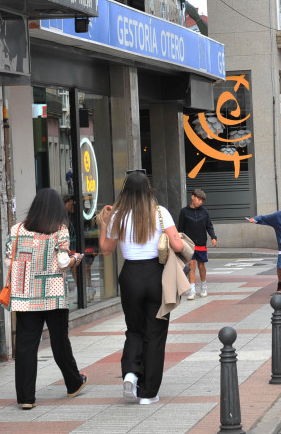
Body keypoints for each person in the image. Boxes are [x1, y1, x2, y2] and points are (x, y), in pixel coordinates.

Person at [98, 171, 184, 405]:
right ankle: (148, 394)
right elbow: (176, 245)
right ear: (149, 189)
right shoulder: (160, 212)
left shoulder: (118, 215)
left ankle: (130, 373)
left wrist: (105, 223)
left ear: (124, 191)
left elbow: (106, 249)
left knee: (134, 329)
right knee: (155, 333)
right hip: (156, 275)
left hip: (130, 276)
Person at [4, 188, 87, 410]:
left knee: (25, 345)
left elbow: (7, 261)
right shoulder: (60, 230)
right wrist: (76, 259)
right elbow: (62, 262)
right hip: (52, 293)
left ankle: (26, 398)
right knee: (60, 341)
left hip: (25, 294)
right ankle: (73, 383)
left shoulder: (17, 230)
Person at [178, 189, 217, 300]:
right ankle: (192, 290)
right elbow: (180, 229)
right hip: (189, 244)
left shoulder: (204, 212)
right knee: (192, 265)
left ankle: (203, 286)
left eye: (202, 200)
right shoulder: (184, 212)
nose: (200, 202)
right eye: (199, 199)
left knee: (201, 265)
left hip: (201, 243)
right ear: (192, 197)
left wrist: (213, 237)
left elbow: (209, 226)